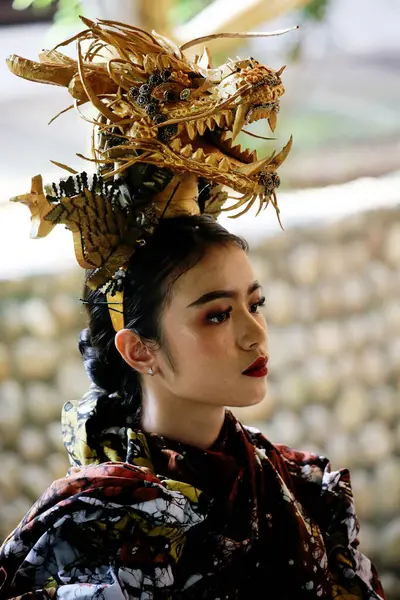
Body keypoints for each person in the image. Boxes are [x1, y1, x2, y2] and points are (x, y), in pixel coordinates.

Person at [1, 16, 385, 600]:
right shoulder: (80, 530)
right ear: (140, 348)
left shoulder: (312, 493)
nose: (256, 336)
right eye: (216, 314)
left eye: (255, 304)